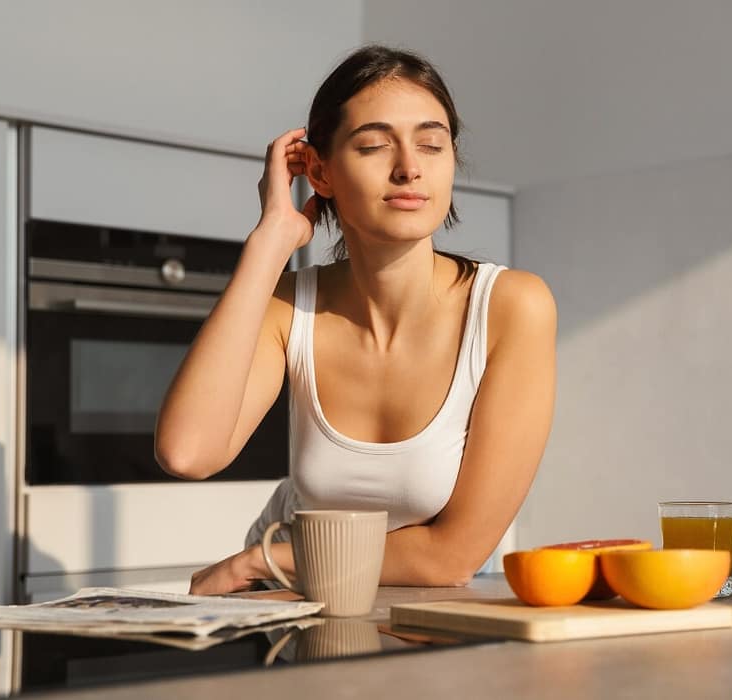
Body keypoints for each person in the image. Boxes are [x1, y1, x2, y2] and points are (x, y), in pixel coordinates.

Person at [154, 45, 556, 595]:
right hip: (297, 623)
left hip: (428, 630)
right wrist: (270, 243)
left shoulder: (512, 306)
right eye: (373, 145)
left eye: (432, 145)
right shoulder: (291, 305)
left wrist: (264, 559)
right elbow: (188, 452)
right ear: (319, 171)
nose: (410, 167)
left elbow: (451, 556)